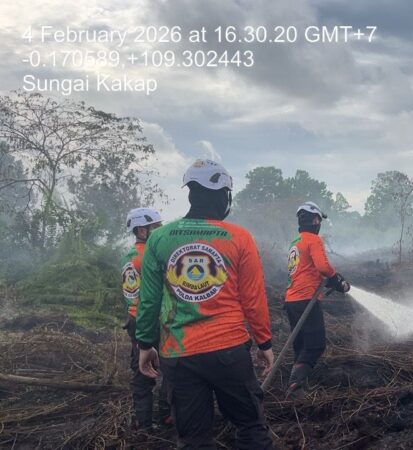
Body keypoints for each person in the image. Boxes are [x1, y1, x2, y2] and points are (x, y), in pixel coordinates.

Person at [136, 159, 275, 449]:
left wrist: (145, 344)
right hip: (229, 351)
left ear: (190, 194)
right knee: (250, 427)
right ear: (225, 196)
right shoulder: (239, 237)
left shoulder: (158, 239)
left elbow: (149, 300)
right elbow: (253, 299)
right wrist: (264, 344)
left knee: (194, 440)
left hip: (179, 354)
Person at [284, 201, 349, 398]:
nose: (318, 223)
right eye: (318, 219)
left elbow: (306, 269)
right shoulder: (313, 239)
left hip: (292, 299)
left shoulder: (295, 242)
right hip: (306, 299)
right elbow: (322, 266)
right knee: (316, 344)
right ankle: (295, 385)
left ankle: (299, 385)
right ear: (314, 220)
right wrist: (336, 278)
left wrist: (328, 281)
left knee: (301, 344)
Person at [121, 207, 169, 429]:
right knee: (169, 364)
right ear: (142, 230)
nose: (159, 231)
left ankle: (144, 422)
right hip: (152, 318)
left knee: (141, 370)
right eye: (156, 227)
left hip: (133, 319)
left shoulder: (129, 255)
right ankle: (167, 414)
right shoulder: (148, 255)